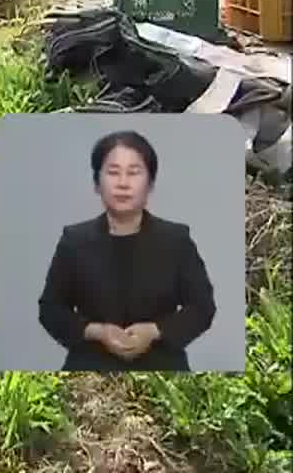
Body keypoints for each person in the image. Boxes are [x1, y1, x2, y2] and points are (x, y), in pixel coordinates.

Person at [37, 130, 216, 372]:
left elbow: (202, 307)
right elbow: (51, 308)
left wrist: (154, 331)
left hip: (164, 368)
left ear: (150, 183)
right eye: (113, 172)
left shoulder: (176, 240)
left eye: (134, 173)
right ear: (96, 183)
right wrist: (97, 332)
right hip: (88, 367)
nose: (123, 183)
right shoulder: (74, 241)